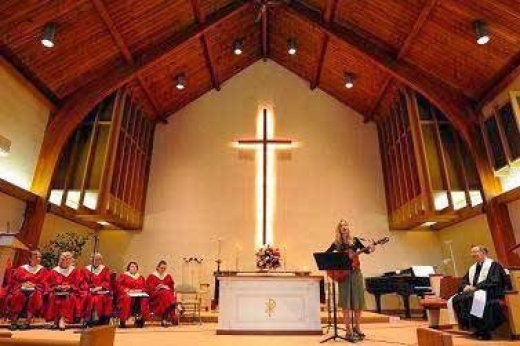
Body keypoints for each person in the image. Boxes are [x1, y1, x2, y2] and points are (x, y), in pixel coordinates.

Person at [326, 219, 375, 340]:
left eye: (346, 225)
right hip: (344, 275)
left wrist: (372, 247)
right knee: (346, 303)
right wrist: (337, 265)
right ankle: (348, 330)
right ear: (339, 229)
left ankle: (357, 327)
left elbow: (368, 251)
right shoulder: (336, 244)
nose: (344, 227)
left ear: (348, 227)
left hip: (356, 273)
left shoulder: (355, 241)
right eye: (342, 226)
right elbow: (326, 256)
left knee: (358, 302)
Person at [448, 245, 508, 341]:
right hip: (476, 292)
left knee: (471, 298)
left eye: (475, 252)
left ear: (483, 253)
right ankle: (474, 328)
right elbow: (464, 280)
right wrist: (465, 286)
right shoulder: (473, 268)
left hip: (490, 292)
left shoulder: (493, 265)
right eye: (472, 252)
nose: (473, 254)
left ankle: (484, 331)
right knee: (457, 299)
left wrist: (476, 287)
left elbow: (495, 280)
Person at [7, 250, 47, 330]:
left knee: (35, 296)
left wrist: (34, 285)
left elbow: (45, 283)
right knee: (18, 295)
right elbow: (14, 281)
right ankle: (14, 321)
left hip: (35, 289)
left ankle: (27, 321)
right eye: (36, 257)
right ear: (30, 258)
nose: (38, 259)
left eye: (39, 257)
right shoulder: (21, 269)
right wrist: (22, 284)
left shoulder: (43, 270)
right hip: (21, 288)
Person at [45, 251, 81, 330]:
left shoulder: (74, 271)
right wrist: (57, 287)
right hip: (56, 291)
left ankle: (62, 319)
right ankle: (55, 319)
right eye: (64, 259)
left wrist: (69, 286)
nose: (66, 261)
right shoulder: (54, 271)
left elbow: (77, 283)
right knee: (53, 297)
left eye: (68, 259)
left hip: (70, 291)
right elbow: (48, 283)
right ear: (61, 260)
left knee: (69, 298)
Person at [82, 253, 113, 326]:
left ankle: (99, 317)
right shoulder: (85, 269)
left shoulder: (105, 269)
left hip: (101, 290)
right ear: (91, 260)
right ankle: (90, 318)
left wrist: (100, 287)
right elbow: (83, 282)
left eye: (99, 259)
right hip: (90, 291)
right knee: (90, 297)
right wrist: (90, 288)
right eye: (95, 259)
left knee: (101, 297)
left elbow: (107, 281)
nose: (97, 261)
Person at [117, 261, 150, 328]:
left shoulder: (140, 277)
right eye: (132, 266)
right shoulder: (124, 276)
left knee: (144, 299)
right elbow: (119, 285)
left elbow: (145, 287)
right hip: (127, 294)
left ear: (137, 268)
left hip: (138, 294)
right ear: (128, 268)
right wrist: (126, 290)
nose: (133, 268)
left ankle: (140, 319)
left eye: (135, 266)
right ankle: (123, 321)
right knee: (127, 299)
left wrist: (142, 290)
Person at [147, 260, 177, 327]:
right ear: (158, 267)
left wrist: (166, 287)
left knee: (166, 294)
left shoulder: (168, 276)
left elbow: (171, 288)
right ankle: (174, 305)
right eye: (162, 268)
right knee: (166, 295)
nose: (163, 270)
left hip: (165, 297)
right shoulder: (152, 276)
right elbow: (149, 289)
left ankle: (164, 320)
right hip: (155, 296)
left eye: (165, 268)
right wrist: (157, 287)